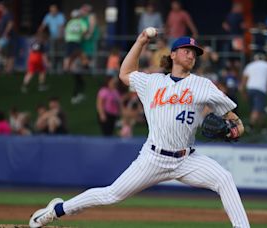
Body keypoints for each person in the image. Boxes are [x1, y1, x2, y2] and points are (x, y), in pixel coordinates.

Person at [29, 34, 250, 228]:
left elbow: (235, 121)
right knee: (111, 194)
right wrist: (141, 40)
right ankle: (56, 210)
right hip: (153, 158)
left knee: (224, 178)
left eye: (194, 52)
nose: (191, 55)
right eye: (186, 51)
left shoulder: (203, 85)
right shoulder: (152, 82)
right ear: (172, 55)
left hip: (186, 159)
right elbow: (125, 73)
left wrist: (234, 130)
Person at [240, 52, 267, 130]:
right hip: (260, 89)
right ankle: (250, 126)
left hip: (250, 88)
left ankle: (263, 126)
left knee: (257, 109)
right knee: (257, 109)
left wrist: (243, 92)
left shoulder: (250, 65)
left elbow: (244, 80)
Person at [38, 4, 65, 73]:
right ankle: (52, 69)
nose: (52, 12)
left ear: (57, 10)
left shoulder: (60, 16)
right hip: (52, 38)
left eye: (54, 10)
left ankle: (60, 69)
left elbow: (61, 27)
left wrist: (60, 36)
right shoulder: (48, 16)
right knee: (52, 53)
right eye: (51, 10)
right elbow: (43, 25)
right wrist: (38, 33)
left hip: (59, 38)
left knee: (59, 53)